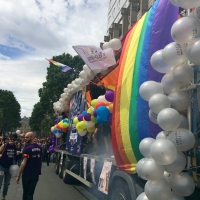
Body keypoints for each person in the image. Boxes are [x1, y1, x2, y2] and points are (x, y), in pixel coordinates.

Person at [16, 132, 42, 200]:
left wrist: (18, 175)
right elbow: (40, 160)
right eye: (25, 137)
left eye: (27, 137)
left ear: (32, 137)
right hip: (35, 174)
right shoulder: (39, 148)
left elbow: (23, 163)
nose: (25, 138)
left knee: (26, 192)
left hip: (27, 174)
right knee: (30, 193)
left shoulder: (27, 148)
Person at [0, 134, 17, 200]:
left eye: (14, 139)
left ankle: (3, 196)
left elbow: (14, 155)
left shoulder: (15, 146)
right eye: (11, 139)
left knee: (6, 184)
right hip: (2, 166)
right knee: (0, 183)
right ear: (9, 139)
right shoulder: (5, 145)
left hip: (9, 167)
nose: (12, 140)